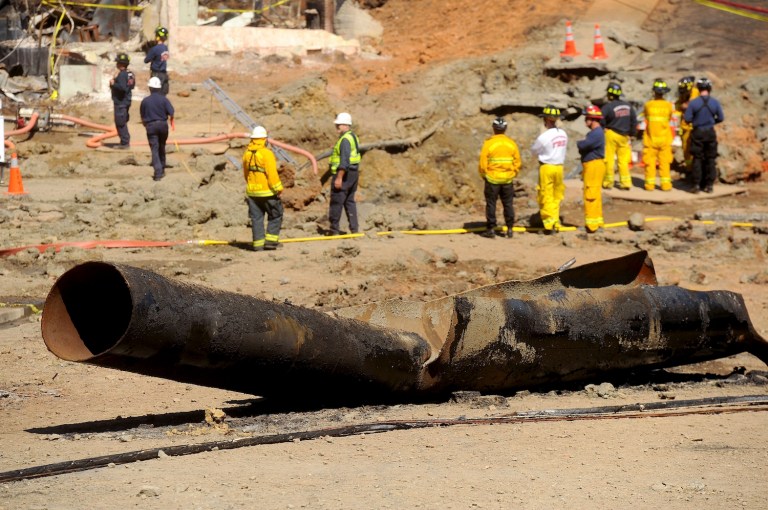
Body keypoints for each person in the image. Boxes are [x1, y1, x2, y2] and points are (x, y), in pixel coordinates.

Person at [477, 116, 520, 238]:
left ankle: (491, 229)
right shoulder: (511, 144)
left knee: (491, 204)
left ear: (494, 128)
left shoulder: (489, 143)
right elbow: (517, 162)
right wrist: (512, 174)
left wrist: (484, 175)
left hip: (492, 179)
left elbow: (482, 163)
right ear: (505, 128)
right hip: (507, 180)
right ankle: (510, 228)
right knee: (508, 204)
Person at [242, 126, 284, 251]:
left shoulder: (247, 154)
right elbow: (272, 174)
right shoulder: (267, 153)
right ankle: (271, 242)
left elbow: (246, 173)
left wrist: (252, 185)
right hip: (267, 192)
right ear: (265, 139)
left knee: (256, 218)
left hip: (252, 193)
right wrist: (278, 188)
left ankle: (258, 244)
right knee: (276, 215)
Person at [530, 105, 568, 234]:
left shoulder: (544, 137)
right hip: (559, 168)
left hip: (546, 167)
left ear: (545, 120)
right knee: (556, 196)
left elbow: (534, 151)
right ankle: (555, 221)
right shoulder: (563, 134)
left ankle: (548, 225)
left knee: (546, 195)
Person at [684, 77, 724, 194]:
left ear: (698, 88)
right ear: (710, 88)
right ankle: (709, 185)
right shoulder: (715, 102)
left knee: (697, 158)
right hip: (710, 132)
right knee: (710, 158)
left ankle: (696, 185)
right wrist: (711, 122)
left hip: (697, 132)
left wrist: (696, 121)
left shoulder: (693, 103)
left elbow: (687, 119)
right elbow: (721, 118)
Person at [328, 112, 361, 236]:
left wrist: (339, 178)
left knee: (337, 201)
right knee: (349, 201)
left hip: (344, 174)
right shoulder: (352, 136)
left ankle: (334, 231)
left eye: (338, 125)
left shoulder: (345, 140)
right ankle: (354, 230)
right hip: (353, 173)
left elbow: (344, 161)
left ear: (345, 125)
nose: (336, 127)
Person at [601, 82, 637, 190]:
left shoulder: (608, 107)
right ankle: (625, 183)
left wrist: (603, 128)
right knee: (623, 161)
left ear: (609, 94)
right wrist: (632, 134)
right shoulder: (628, 106)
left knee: (609, 159)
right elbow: (633, 121)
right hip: (625, 136)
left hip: (611, 134)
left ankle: (608, 182)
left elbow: (600, 119)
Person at [641, 79, 675, 191]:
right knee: (665, 163)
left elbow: (645, 118)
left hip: (650, 139)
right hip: (665, 139)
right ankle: (666, 185)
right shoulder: (668, 106)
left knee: (649, 164)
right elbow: (670, 119)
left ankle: (649, 185)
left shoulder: (648, 105)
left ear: (654, 92)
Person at [577, 105, 606, 233]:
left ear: (593, 119)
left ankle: (591, 226)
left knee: (590, 195)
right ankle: (597, 222)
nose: (585, 121)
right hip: (594, 165)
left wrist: (580, 143)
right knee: (595, 194)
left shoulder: (596, 133)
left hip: (593, 166)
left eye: (587, 118)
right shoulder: (595, 133)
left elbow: (584, 145)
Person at [139, 76, 174, 181]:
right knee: (162, 146)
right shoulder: (164, 99)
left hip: (151, 126)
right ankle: (162, 168)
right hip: (163, 125)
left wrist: (146, 124)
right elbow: (171, 112)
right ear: (159, 88)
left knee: (154, 149)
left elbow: (142, 116)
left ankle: (158, 173)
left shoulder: (145, 101)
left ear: (150, 88)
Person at [109, 52, 135, 149]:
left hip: (121, 102)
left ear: (120, 64)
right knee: (123, 121)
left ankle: (124, 143)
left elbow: (122, 88)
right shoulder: (130, 74)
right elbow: (131, 86)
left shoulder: (122, 75)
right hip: (126, 101)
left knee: (120, 123)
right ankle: (124, 141)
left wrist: (113, 84)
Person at [675, 76, 699, 172]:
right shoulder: (684, 94)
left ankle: (695, 171)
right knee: (686, 150)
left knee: (695, 151)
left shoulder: (695, 93)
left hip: (694, 127)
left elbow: (690, 105)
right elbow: (678, 105)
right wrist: (681, 106)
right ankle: (690, 170)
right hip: (685, 127)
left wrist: (684, 106)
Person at [144, 26, 170, 96]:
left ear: (157, 36)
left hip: (156, 74)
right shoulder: (166, 48)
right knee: (163, 94)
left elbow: (146, 60)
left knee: (155, 94)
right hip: (164, 74)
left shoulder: (155, 49)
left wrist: (149, 51)